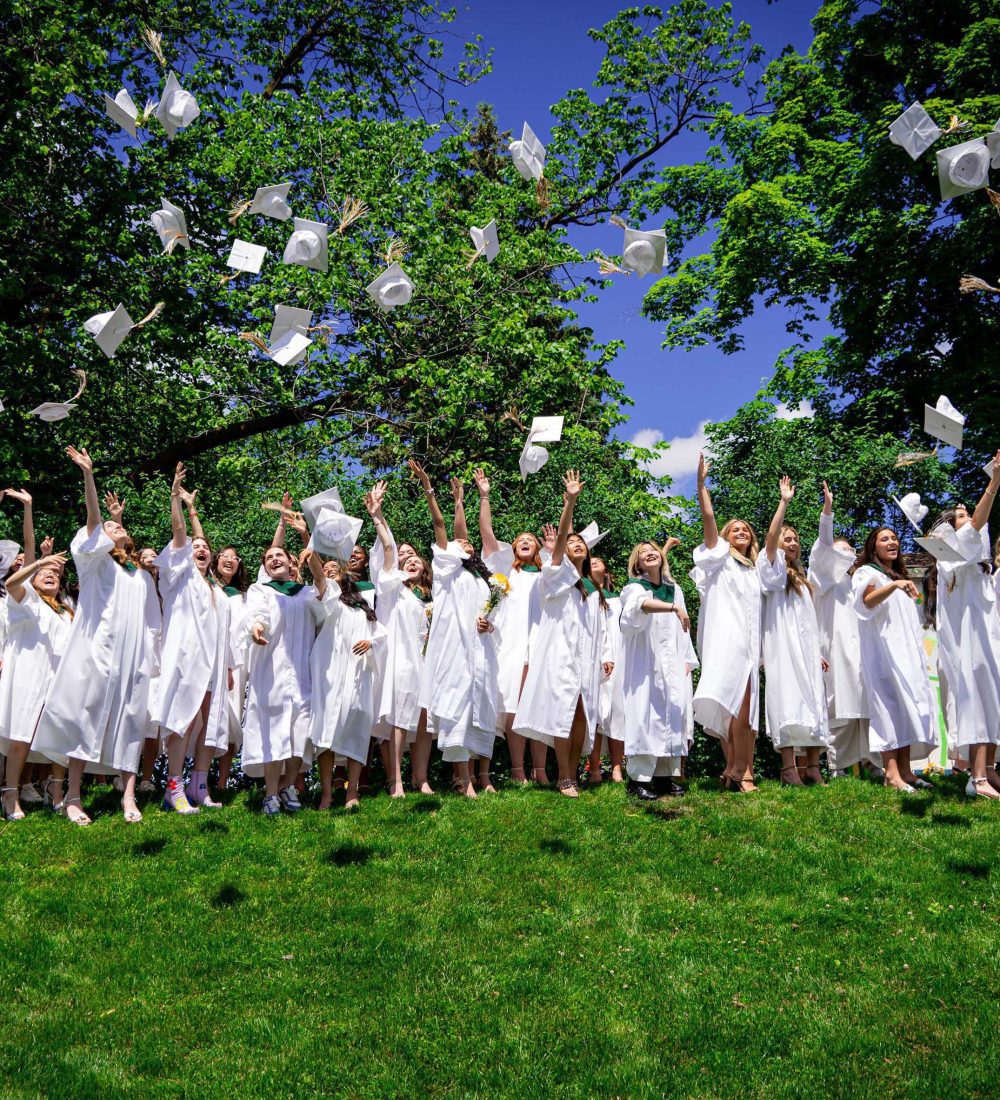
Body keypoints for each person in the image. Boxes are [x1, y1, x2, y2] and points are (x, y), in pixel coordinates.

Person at [33, 446, 161, 824]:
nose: (114, 527)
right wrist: (89, 475)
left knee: (130, 720)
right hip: (97, 651)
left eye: (119, 526)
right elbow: (93, 521)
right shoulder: (93, 564)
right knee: (85, 717)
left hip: (131, 656)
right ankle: (72, 795)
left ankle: (128, 796)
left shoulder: (139, 576)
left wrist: (148, 663)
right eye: (109, 527)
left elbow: (150, 621)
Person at [514, 470, 611, 797]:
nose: (576, 545)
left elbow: (598, 630)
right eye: (571, 543)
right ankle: (565, 776)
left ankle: (571, 773)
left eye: (580, 542)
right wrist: (569, 502)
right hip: (560, 656)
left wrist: (603, 657)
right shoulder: (555, 577)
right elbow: (557, 553)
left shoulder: (592, 590)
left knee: (583, 715)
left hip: (587, 658)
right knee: (563, 712)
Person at [412, 459, 500, 798]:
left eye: (469, 544)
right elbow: (442, 526)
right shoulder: (447, 568)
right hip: (454, 648)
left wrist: (489, 624)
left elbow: (494, 610)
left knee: (481, 704)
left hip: (480, 649)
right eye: (459, 544)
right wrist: (430, 489)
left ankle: (483, 776)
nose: (464, 544)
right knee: (458, 704)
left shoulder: (482, 577)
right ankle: (462, 780)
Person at [153, 464, 235, 813]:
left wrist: (228, 665)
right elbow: (182, 536)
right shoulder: (179, 575)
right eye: (195, 546)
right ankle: (173, 787)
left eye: (205, 548)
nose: (200, 549)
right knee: (183, 720)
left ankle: (199, 785)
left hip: (212, 662)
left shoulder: (212, 586)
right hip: (187, 658)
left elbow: (201, 543)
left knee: (208, 723)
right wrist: (176, 500)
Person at [924, 452, 1000, 798]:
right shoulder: (950, 558)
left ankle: (990, 771)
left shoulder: (980, 567)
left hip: (987, 637)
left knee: (992, 698)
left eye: (967, 514)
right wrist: (994, 483)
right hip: (968, 643)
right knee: (978, 701)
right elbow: (976, 528)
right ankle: (977, 777)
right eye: (959, 517)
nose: (968, 519)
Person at [472, 468, 549, 786]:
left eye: (533, 541)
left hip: (542, 642)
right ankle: (518, 769)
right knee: (516, 705)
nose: (527, 543)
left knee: (540, 704)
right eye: (522, 541)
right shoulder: (506, 570)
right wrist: (484, 496)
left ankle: (542, 770)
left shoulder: (547, 575)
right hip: (512, 644)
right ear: (514, 549)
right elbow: (487, 535)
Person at [690, 453, 761, 793]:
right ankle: (741, 771)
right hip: (725, 641)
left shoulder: (754, 569)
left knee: (744, 711)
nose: (741, 532)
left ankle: (737, 769)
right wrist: (702, 486)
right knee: (733, 706)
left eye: (746, 529)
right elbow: (709, 519)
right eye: (735, 530)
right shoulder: (718, 559)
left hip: (749, 644)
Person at [852, 526, 937, 791]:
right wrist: (894, 585)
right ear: (873, 546)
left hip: (906, 654)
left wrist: (898, 582)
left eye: (894, 538)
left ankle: (906, 772)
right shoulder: (867, 573)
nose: (892, 542)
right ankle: (891, 774)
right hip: (883, 653)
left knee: (907, 707)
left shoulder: (898, 575)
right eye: (884, 539)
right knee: (889, 709)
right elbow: (866, 601)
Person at [243, 543, 326, 815]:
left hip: (303, 674)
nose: (274, 559)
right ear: (265, 567)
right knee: (272, 731)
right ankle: (269, 794)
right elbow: (257, 614)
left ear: (292, 564)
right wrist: (257, 626)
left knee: (298, 734)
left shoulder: (306, 594)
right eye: (268, 557)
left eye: (279, 555)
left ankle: (289, 788)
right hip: (272, 673)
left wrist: (309, 544)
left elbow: (321, 583)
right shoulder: (261, 591)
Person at [758, 478, 830, 785]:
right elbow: (771, 539)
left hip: (806, 647)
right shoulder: (770, 568)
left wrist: (818, 651)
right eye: (789, 538)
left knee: (812, 698)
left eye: (796, 539)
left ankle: (812, 766)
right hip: (783, 647)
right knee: (787, 699)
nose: (793, 542)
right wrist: (784, 502)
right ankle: (789, 769)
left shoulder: (802, 576)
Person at [308, 538, 387, 811]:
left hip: (359, 673)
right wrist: (310, 542)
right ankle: (328, 793)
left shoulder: (363, 604)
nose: (330, 571)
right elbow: (318, 576)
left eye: (334, 567)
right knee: (327, 732)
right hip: (331, 673)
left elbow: (381, 633)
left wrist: (371, 642)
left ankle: (352, 792)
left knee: (357, 727)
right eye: (326, 568)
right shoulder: (328, 599)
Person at [366, 483, 435, 796]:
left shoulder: (432, 598)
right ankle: (395, 780)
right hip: (401, 659)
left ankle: (420, 778)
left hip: (427, 663)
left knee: (423, 719)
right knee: (398, 717)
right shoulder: (392, 589)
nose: (411, 559)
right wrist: (379, 517)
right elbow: (389, 551)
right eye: (405, 558)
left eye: (416, 557)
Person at [619, 541, 697, 800]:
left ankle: (664, 776)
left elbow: (682, 631)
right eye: (643, 552)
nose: (650, 553)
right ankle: (638, 779)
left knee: (670, 713)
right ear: (637, 563)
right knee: (644, 714)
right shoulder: (634, 587)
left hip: (672, 663)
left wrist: (686, 659)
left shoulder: (674, 589)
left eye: (653, 549)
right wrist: (673, 608)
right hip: (645, 662)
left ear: (662, 558)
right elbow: (639, 607)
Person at [807, 483, 873, 777]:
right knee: (840, 709)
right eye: (841, 550)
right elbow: (823, 548)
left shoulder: (861, 579)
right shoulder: (824, 577)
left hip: (864, 651)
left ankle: (874, 763)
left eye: (850, 551)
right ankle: (838, 767)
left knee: (868, 708)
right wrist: (827, 512)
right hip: (834, 650)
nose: (847, 555)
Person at [0, 553, 73, 820]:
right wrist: (40, 563)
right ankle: (10, 795)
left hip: (58, 680)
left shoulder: (66, 611)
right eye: (44, 574)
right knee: (21, 736)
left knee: (59, 736)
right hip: (28, 676)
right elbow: (10, 585)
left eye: (54, 573)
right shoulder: (26, 600)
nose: (50, 575)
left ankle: (55, 794)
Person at [212, 543, 249, 791]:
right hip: (209, 658)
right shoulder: (207, 589)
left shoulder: (246, 595)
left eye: (234, 558)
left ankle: (223, 783)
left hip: (236, 663)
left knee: (231, 718)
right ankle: (197, 778)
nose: (229, 560)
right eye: (224, 556)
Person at [588, 554, 625, 786]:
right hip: (593, 658)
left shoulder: (619, 599)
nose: (594, 563)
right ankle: (593, 769)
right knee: (594, 712)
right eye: (590, 561)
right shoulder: (584, 594)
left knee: (617, 712)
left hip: (619, 658)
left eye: (599, 561)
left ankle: (617, 768)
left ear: (607, 571)